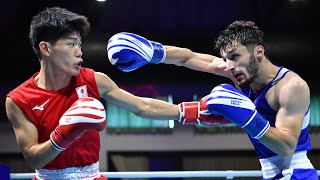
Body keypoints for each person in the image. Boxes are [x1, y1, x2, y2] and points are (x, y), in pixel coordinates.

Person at [5, 7, 231, 180]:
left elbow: (142, 106)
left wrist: (193, 112)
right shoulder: (19, 99)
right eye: (71, 44)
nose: (79, 52)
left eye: (80, 45)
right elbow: (32, 156)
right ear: (45, 48)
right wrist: (61, 136)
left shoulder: (93, 80)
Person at [107, 21, 318, 179]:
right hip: (269, 172)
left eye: (235, 56)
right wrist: (154, 52)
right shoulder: (237, 72)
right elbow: (188, 58)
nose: (229, 66)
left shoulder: (291, 87)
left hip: (297, 173)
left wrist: (247, 117)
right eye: (226, 59)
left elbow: (287, 147)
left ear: (259, 52)